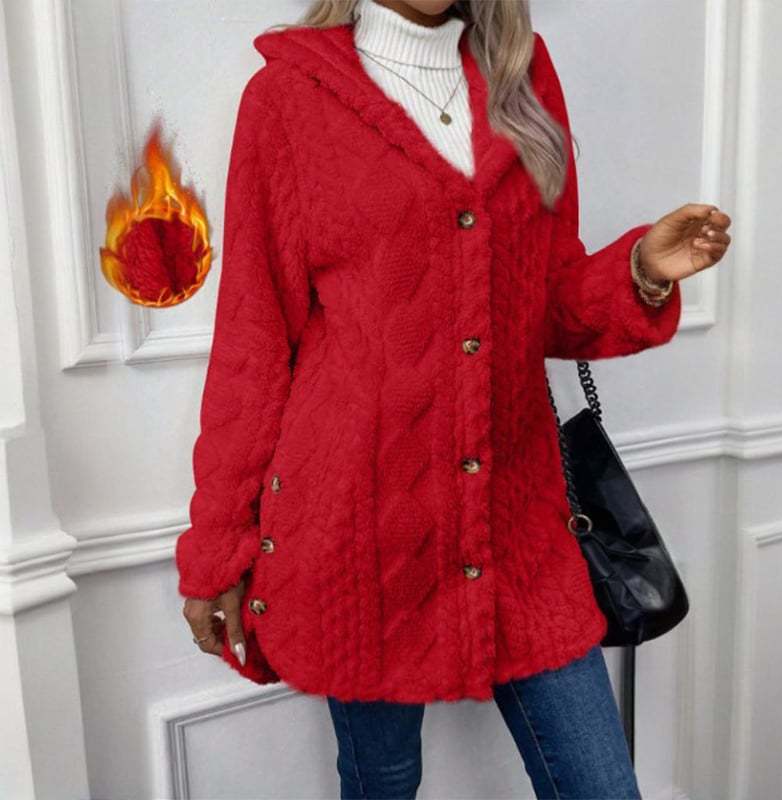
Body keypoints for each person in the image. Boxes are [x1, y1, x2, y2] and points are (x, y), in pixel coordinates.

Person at [177, 1, 732, 797]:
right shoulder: (288, 97)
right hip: (359, 536)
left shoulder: (523, 77)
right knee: (382, 781)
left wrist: (640, 269)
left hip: (518, 528)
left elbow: (544, 301)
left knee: (602, 784)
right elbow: (253, 340)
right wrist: (217, 549)